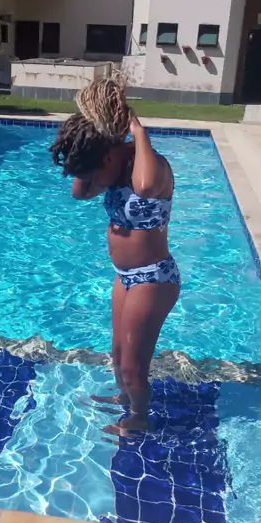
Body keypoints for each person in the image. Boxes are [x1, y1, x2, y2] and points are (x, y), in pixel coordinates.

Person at [50, 108, 180, 437]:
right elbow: (79, 192)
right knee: (118, 353)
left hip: (153, 277)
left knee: (133, 366)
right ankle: (125, 396)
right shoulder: (113, 167)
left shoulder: (150, 166)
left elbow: (145, 187)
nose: (93, 182)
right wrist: (86, 150)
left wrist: (138, 130)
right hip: (126, 276)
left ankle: (139, 417)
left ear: (108, 159)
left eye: (96, 173)